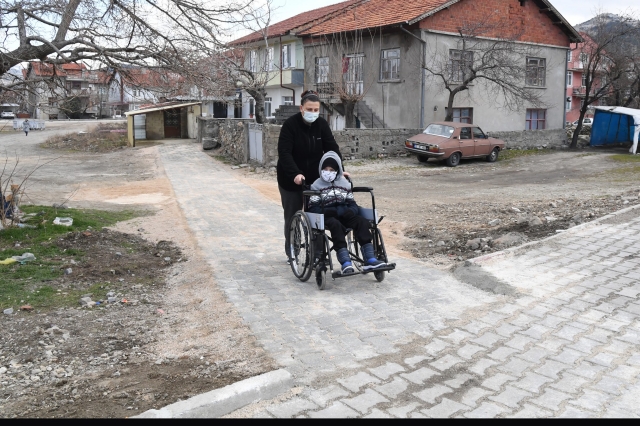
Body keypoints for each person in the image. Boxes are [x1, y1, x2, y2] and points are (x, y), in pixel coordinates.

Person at [277, 90, 348, 260]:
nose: (313, 113)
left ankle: (316, 252)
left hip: (315, 180)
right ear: (302, 108)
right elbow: (284, 152)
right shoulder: (290, 125)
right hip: (290, 178)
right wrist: (295, 174)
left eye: (316, 110)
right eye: (310, 109)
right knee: (292, 214)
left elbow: (332, 149)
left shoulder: (322, 125)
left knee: (316, 214)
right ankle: (292, 250)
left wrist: (340, 170)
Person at [307, 151, 386, 274]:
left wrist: (351, 210)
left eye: (332, 169)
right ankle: (345, 262)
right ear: (321, 169)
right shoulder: (316, 186)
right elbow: (313, 207)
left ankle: (370, 259)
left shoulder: (345, 184)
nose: (328, 172)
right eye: (326, 169)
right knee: (335, 225)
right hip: (327, 217)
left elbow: (352, 202)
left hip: (345, 214)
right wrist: (327, 212)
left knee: (362, 222)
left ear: (337, 170)